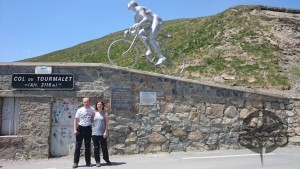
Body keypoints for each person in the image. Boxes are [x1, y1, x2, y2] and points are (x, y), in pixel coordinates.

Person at [125, 0, 166, 66]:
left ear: (133, 5)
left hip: (157, 20)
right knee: (140, 33)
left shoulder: (139, 8)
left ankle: (161, 57)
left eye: (130, 6)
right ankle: (150, 50)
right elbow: (137, 29)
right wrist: (129, 31)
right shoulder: (136, 17)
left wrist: (139, 23)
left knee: (152, 39)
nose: (129, 8)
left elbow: (146, 18)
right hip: (151, 25)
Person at [73, 97, 95, 168]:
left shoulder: (92, 110)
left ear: (89, 102)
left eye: (87, 102)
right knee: (78, 146)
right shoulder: (80, 110)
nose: (86, 103)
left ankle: (88, 162)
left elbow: (94, 119)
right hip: (80, 128)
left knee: (88, 146)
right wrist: (75, 129)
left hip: (88, 128)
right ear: (83, 103)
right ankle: (75, 162)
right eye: (84, 102)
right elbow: (76, 120)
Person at [92, 100, 111, 167]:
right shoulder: (94, 113)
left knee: (104, 147)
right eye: (98, 104)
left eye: (100, 104)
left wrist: (106, 132)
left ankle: (106, 159)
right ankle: (97, 161)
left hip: (102, 133)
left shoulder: (105, 113)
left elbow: (107, 123)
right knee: (96, 147)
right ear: (96, 106)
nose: (99, 106)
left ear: (102, 106)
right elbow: (91, 121)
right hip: (94, 133)